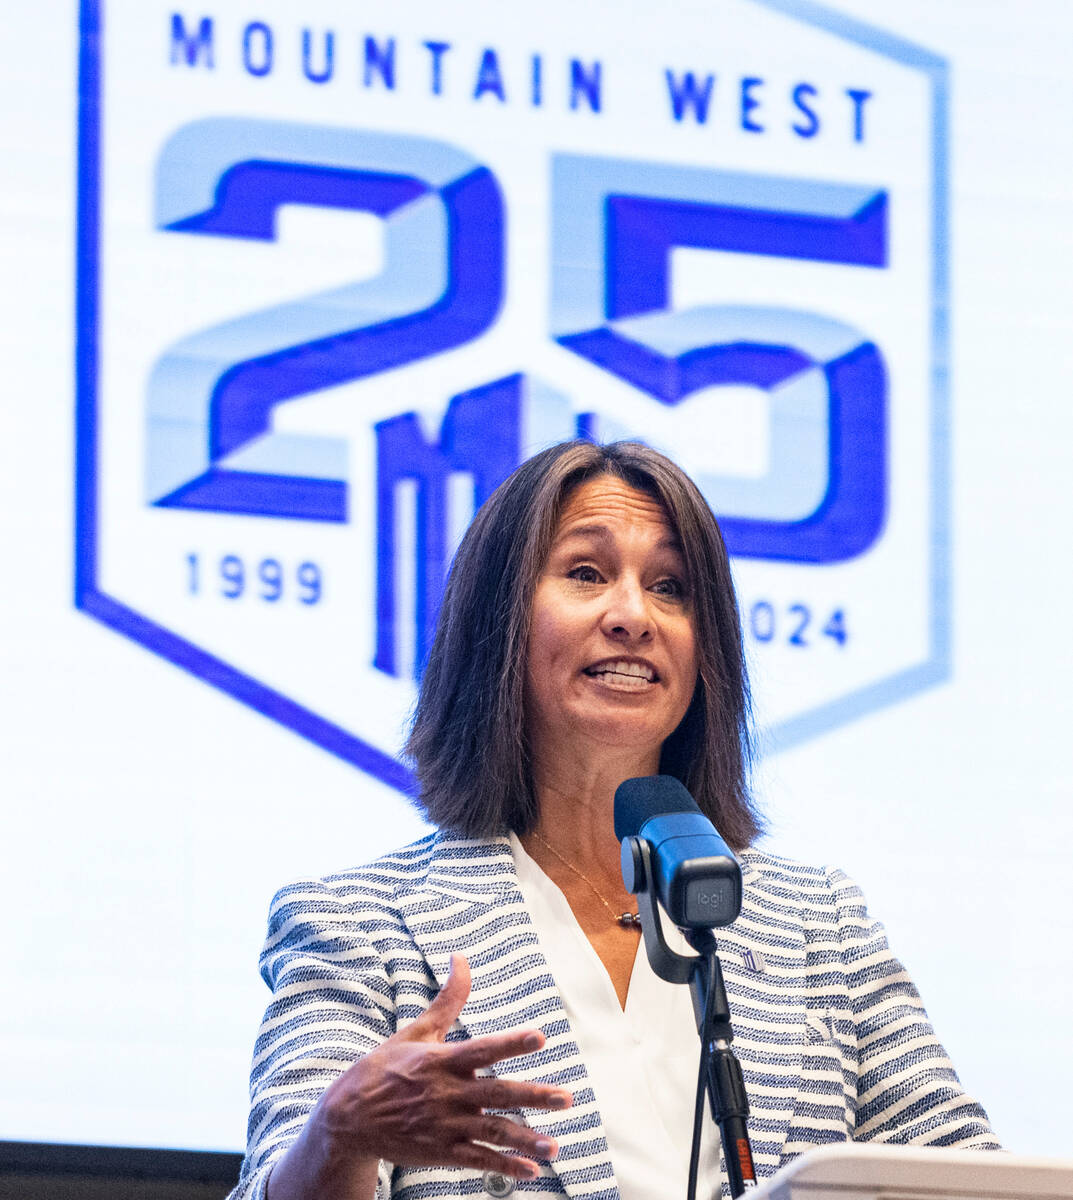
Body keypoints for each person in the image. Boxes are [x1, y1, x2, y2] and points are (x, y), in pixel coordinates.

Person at [228, 440, 998, 1200]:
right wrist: (337, 1136)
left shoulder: (819, 923)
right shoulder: (359, 925)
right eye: (586, 573)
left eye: (670, 587)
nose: (633, 615)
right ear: (498, 624)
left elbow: (972, 1184)